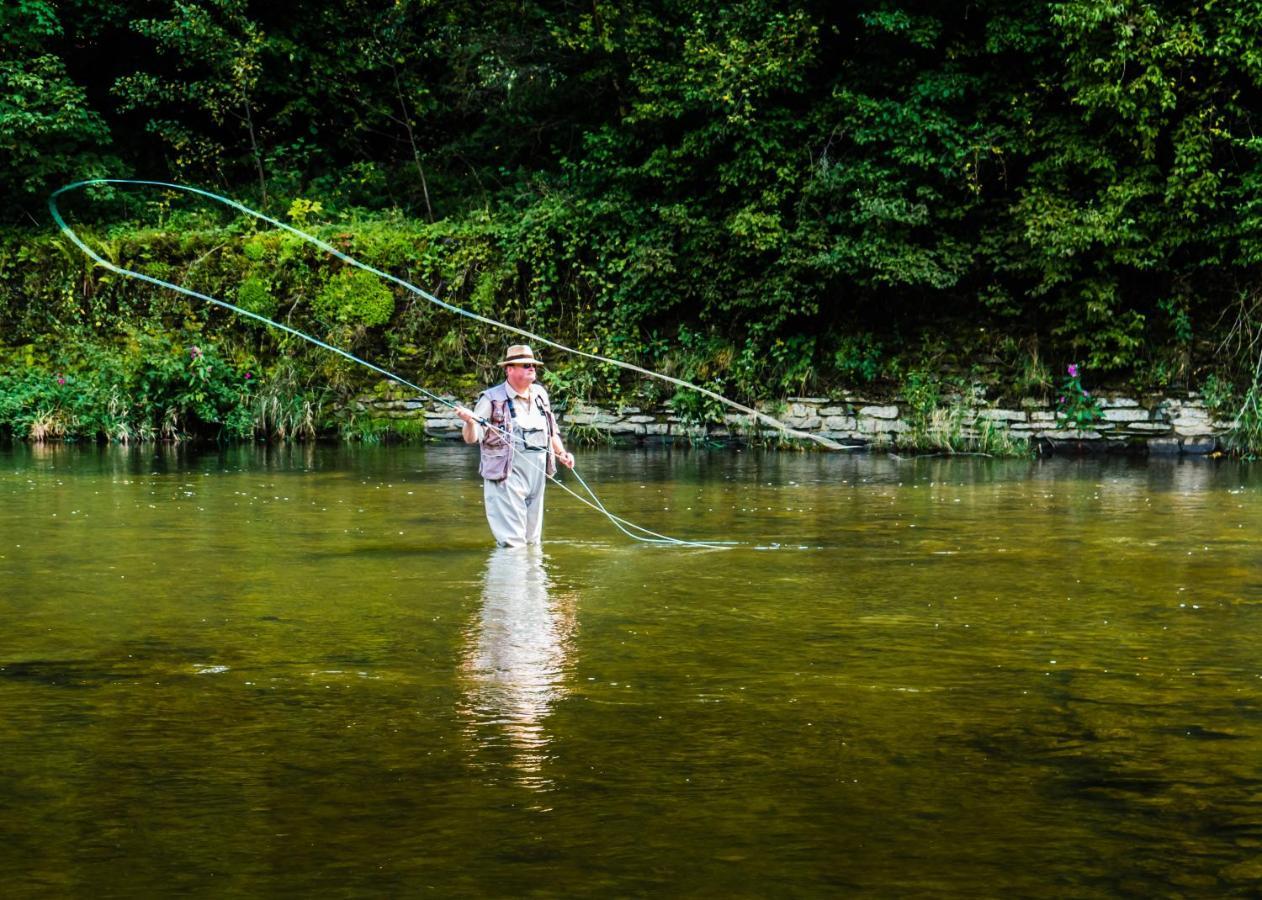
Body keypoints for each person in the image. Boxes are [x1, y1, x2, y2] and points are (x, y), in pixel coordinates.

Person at [455, 345, 575, 546]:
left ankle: (533, 577)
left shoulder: (539, 395)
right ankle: (509, 576)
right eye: (526, 365)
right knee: (513, 544)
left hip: (537, 478)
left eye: (533, 365)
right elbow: (472, 438)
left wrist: (562, 453)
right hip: (506, 478)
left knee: (532, 542)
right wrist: (469, 422)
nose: (532, 369)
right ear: (509, 369)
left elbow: (551, 431)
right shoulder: (491, 399)